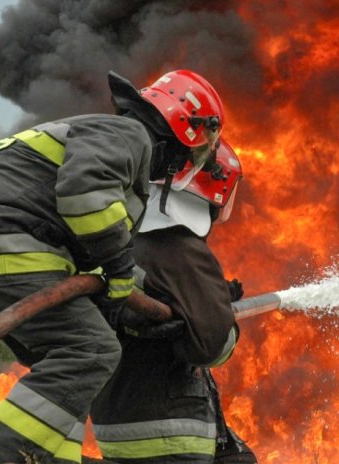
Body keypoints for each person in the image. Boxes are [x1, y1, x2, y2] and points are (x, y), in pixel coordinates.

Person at [0, 69, 225, 464]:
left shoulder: (109, 137)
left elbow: (88, 245)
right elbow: (85, 198)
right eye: (197, 150)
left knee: (67, 366)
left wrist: (133, 298)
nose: (187, 162)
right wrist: (120, 270)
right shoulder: (130, 135)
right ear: (186, 128)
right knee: (91, 351)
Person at [90, 140, 257, 463]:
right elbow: (212, 346)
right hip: (169, 429)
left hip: (117, 420)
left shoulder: (124, 242)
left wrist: (209, 298)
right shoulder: (180, 248)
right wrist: (221, 316)